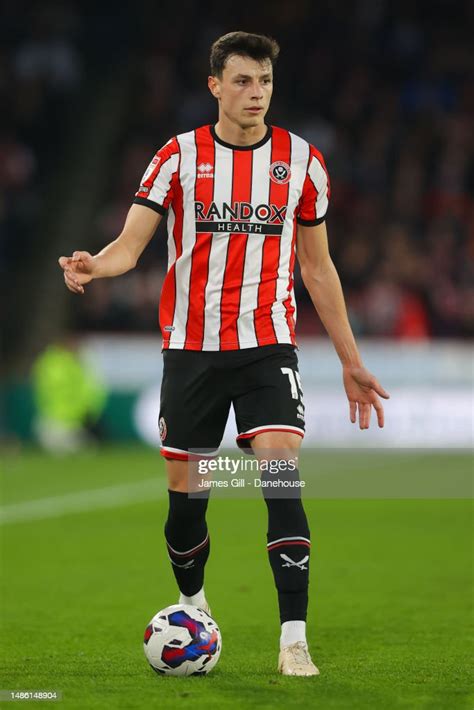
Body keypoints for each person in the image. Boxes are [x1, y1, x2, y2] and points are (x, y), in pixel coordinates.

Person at [59, 31, 389, 676]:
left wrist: (351, 359)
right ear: (215, 86)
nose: (255, 93)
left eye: (263, 81)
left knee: (279, 475)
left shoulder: (302, 161)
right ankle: (194, 605)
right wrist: (95, 266)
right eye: (241, 81)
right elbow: (129, 248)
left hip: (268, 346)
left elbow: (318, 270)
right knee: (187, 501)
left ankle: (294, 637)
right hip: (191, 352)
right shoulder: (179, 157)